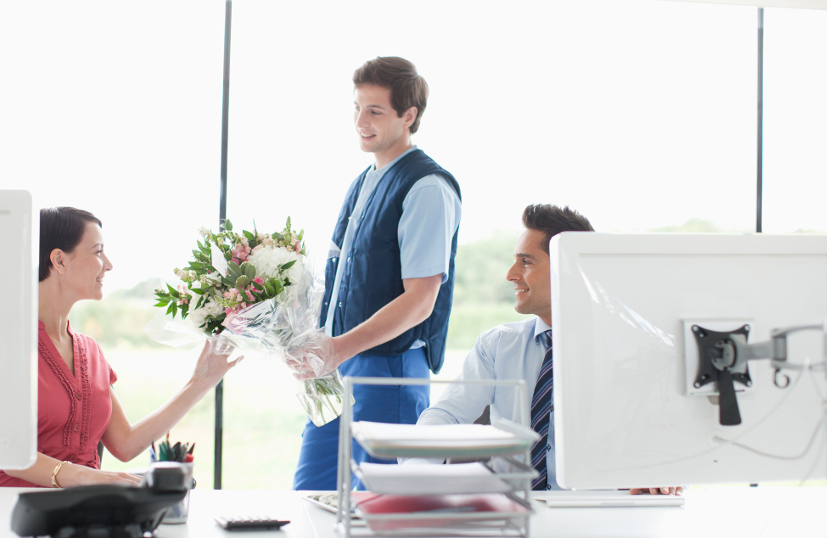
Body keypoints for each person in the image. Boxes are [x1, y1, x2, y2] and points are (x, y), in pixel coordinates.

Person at [415, 204, 681, 496]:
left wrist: (663, 473)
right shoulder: (498, 346)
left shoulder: (636, 351)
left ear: (570, 268)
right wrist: (415, 473)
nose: (510, 274)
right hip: (516, 515)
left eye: (525, 262)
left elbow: (670, 442)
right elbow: (446, 415)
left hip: (603, 518)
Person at [289, 57, 462, 490]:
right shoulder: (364, 180)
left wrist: (337, 348)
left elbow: (421, 301)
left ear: (409, 116)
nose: (360, 121)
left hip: (390, 371)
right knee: (311, 494)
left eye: (375, 111)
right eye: (357, 108)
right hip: (340, 366)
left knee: (379, 511)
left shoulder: (427, 187)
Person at [0, 207, 242, 488]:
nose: (108, 264)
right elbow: (2, 449)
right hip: (14, 512)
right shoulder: (2, 345)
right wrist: (85, 476)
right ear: (59, 260)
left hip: (85, 511)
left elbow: (125, 444)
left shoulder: (90, 352)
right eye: (97, 251)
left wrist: (201, 381)